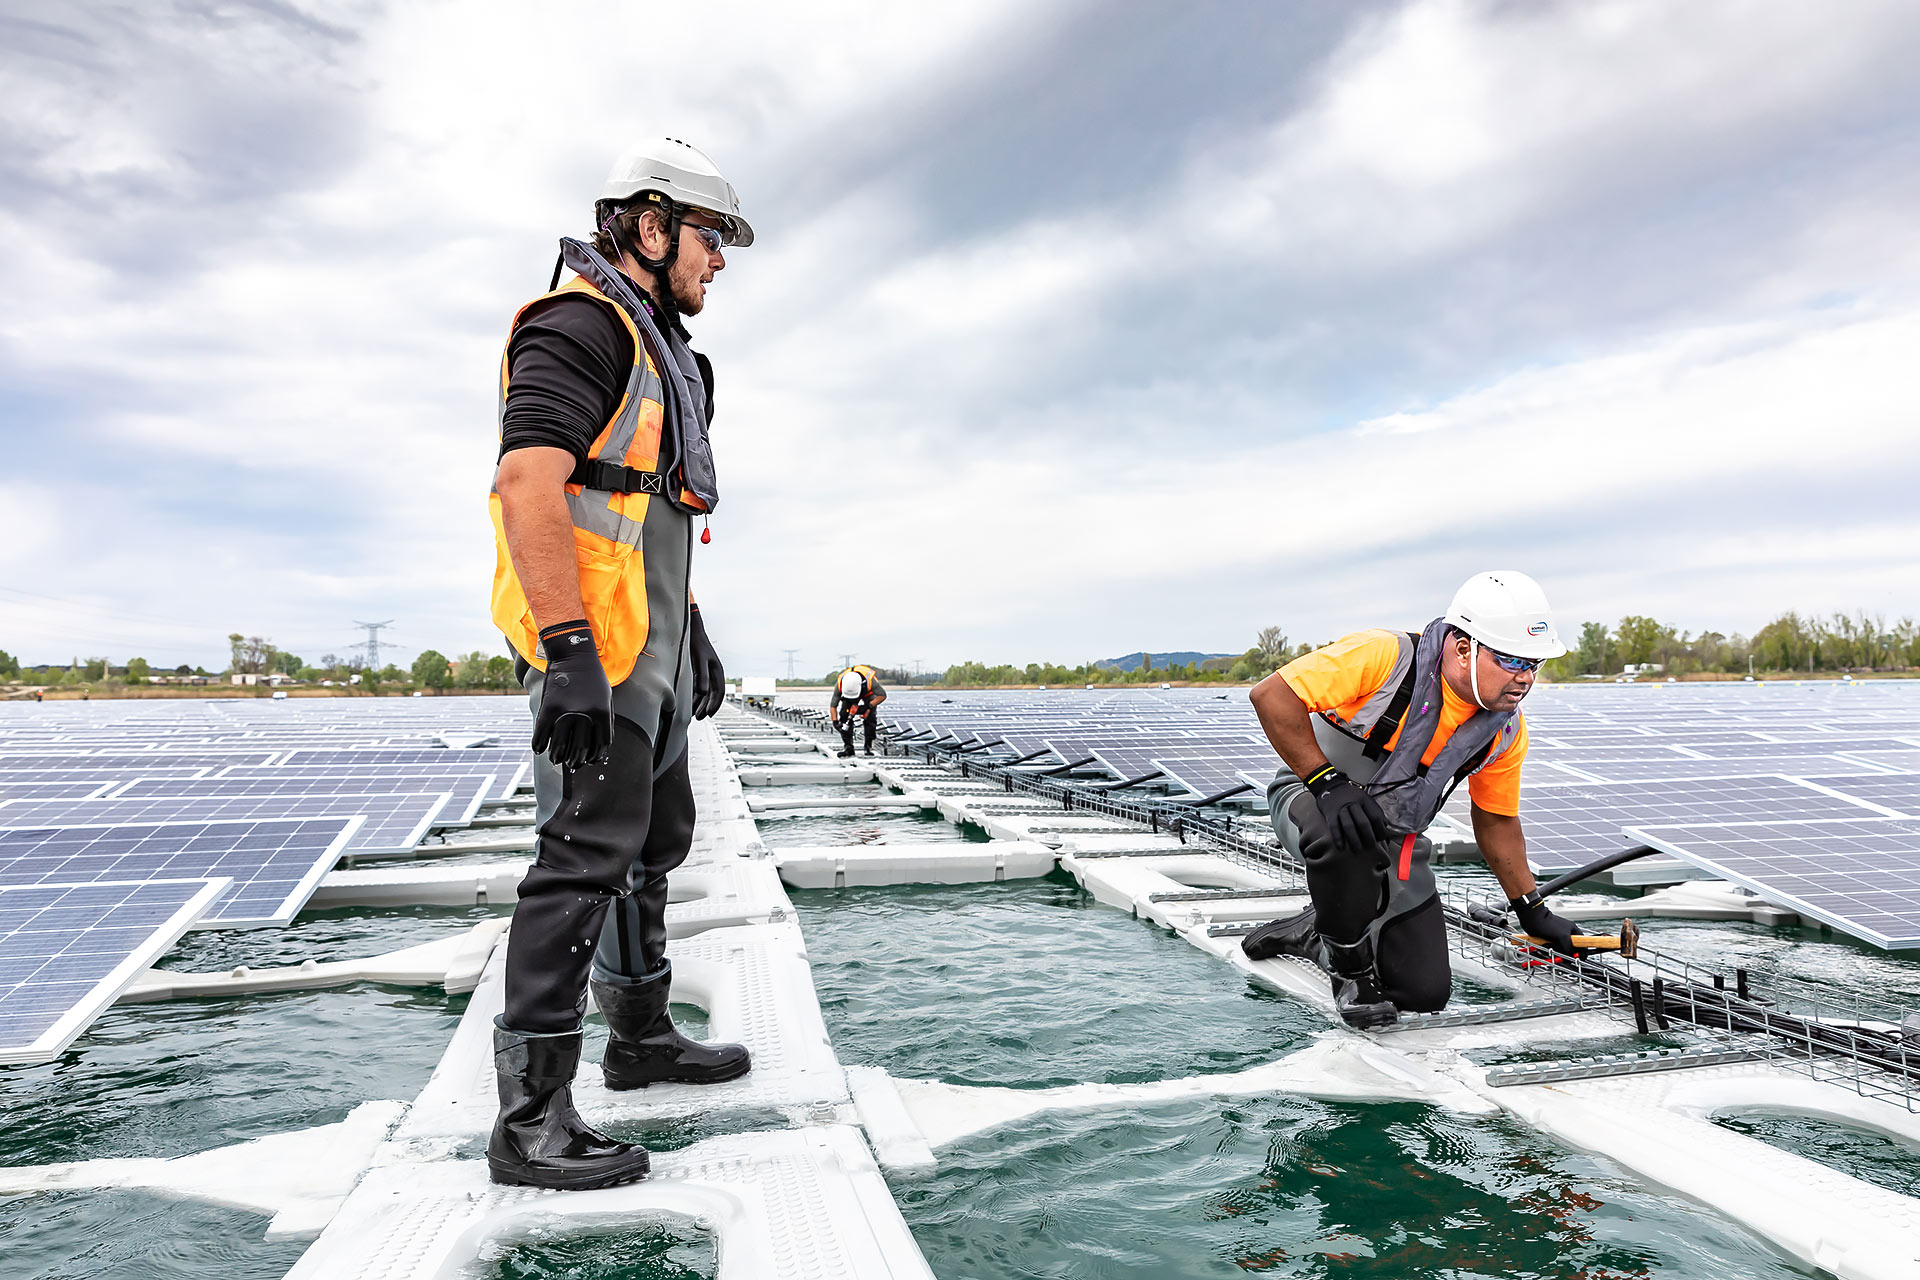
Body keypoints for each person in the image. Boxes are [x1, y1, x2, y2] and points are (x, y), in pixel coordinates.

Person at [486, 137, 753, 1190]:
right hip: (595, 646)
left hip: (656, 640)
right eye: (710, 236)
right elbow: (529, 484)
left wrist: (694, 627)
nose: (719, 259)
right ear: (650, 228)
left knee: (658, 837)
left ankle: (638, 1037)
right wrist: (564, 654)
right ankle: (530, 1119)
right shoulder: (581, 326)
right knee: (581, 856)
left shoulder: (671, 357)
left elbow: (650, 511)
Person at [1241, 571, 1584, 1029]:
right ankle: (1351, 971)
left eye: (1533, 665)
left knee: (1422, 995)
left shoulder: (1504, 732)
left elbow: (1497, 822)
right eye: (1511, 661)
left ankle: (1315, 932)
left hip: (1392, 837)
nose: (1524, 679)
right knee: (1345, 839)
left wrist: (1533, 911)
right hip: (1311, 801)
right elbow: (1271, 695)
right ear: (1464, 649)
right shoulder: (1386, 657)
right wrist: (1327, 783)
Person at [830, 664, 886, 757]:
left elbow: (882, 696)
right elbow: (833, 706)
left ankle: (868, 746)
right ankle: (848, 748)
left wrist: (868, 707)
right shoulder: (840, 683)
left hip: (868, 695)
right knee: (844, 714)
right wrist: (835, 722)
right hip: (848, 697)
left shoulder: (870, 682)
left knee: (870, 717)